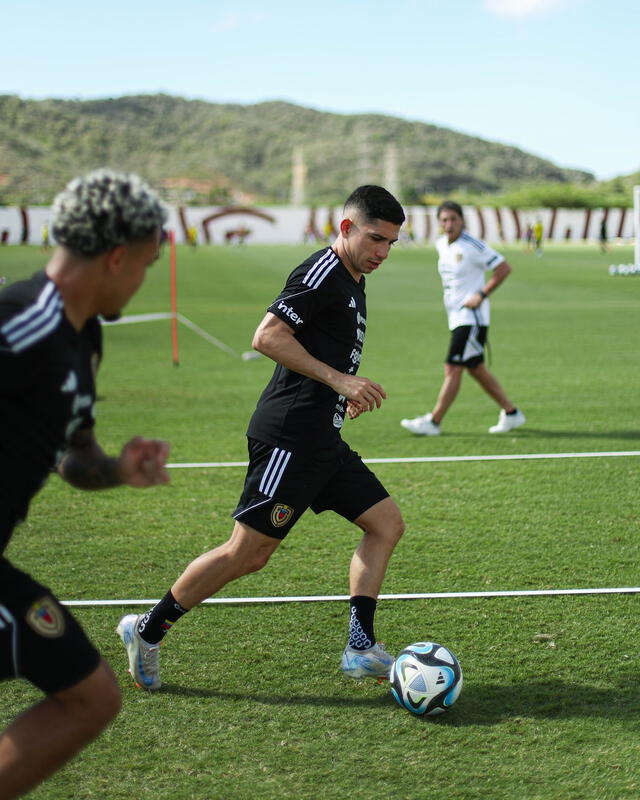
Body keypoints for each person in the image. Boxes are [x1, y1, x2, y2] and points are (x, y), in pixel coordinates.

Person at [117, 185, 406, 689]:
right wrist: (340, 381)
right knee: (247, 554)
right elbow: (267, 336)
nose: (382, 252)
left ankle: (360, 647)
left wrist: (342, 394)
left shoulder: (354, 278)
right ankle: (147, 630)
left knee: (386, 524)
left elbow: (321, 353)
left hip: (323, 438)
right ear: (346, 228)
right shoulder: (321, 272)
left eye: (390, 244)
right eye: (375, 239)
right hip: (289, 440)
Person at [0, 169, 170, 800]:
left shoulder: (84, 336)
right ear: (118, 257)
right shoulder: (19, 326)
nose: (144, 278)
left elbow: (74, 456)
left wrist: (117, 469)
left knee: (92, 696)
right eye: (148, 264)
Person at [400, 200, 525, 436]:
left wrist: (481, 294)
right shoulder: (441, 245)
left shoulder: (473, 245)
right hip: (455, 316)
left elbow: (503, 268)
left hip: (471, 317)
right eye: (444, 220)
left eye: (453, 219)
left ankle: (433, 422)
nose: (448, 224)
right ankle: (511, 413)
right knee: (475, 368)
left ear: (462, 221)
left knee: (453, 366)